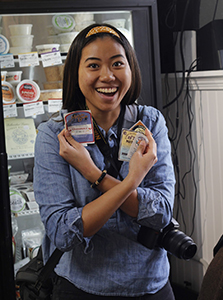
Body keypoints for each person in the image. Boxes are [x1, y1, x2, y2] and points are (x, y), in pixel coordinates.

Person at [34, 23, 176, 300]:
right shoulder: (54, 134)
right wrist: (132, 182)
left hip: (151, 284)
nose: (107, 76)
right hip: (81, 286)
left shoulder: (149, 122)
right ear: (76, 73)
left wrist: (92, 173)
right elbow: (63, 232)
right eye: (94, 66)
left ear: (131, 69)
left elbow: (161, 214)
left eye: (117, 64)